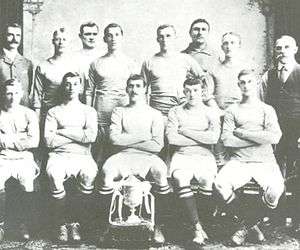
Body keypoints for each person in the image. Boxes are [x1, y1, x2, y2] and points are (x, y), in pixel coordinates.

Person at [97, 74, 170, 244]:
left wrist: (128, 138)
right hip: (123, 156)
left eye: (138, 86)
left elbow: (157, 145)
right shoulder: (119, 111)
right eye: (131, 86)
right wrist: (144, 137)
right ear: (126, 89)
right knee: (107, 171)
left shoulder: (155, 114)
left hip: (148, 157)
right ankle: (106, 226)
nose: (134, 89)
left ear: (145, 89)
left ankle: (158, 226)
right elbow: (114, 140)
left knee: (161, 172)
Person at [214, 69, 284, 246]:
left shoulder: (267, 109)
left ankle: (245, 227)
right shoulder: (232, 110)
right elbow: (228, 140)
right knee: (220, 184)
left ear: (257, 84)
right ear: (238, 85)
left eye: (250, 82)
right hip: (239, 161)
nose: (246, 85)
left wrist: (243, 133)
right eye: (242, 82)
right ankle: (252, 227)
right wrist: (259, 138)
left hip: (265, 161)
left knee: (275, 190)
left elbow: (274, 137)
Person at [44, 72, 98, 242]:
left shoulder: (88, 111)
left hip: (83, 155)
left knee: (89, 174)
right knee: (54, 174)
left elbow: (90, 137)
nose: (71, 88)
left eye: (75, 84)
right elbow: (49, 141)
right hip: (59, 156)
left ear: (80, 87)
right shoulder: (54, 111)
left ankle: (76, 224)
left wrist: (62, 131)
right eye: (67, 84)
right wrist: (78, 135)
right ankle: (61, 224)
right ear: (63, 87)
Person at [166, 77, 220, 246]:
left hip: (204, 156)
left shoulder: (211, 111)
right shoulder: (175, 111)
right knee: (181, 178)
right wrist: (200, 137)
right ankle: (197, 227)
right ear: (184, 92)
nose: (191, 94)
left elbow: (212, 138)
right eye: (188, 91)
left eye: (195, 90)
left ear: (202, 92)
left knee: (206, 179)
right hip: (182, 155)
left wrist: (186, 131)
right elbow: (172, 139)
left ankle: (200, 223)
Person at [260, 35, 300, 233]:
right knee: (276, 172)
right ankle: (278, 215)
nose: (282, 50)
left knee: (297, 173)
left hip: (297, 131)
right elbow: (262, 105)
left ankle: (297, 219)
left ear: (295, 49)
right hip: (275, 132)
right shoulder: (268, 76)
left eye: (286, 47)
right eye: (278, 48)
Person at [87, 23, 137, 166]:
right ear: (104, 39)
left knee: (123, 151)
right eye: (109, 35)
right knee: (100, 152)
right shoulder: (96, 63)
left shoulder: (130, 63)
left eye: (116, 35)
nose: (113, 38)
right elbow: (89, 91)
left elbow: (138, 90)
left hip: (124, 111)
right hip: (102, 112)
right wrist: (89, 115)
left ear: (122, 37)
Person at [141, 24, 215, 119]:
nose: (165, 39)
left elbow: (204, 79)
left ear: (175, 37)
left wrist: (201, 99)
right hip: (159, 112)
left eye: (168, 36)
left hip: (182, 112)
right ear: (157, 39)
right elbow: (142, 90)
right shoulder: (148, 62)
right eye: (161, 36)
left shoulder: (185, 58)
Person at [0, 79, 39, 241]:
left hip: (25, 158)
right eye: (9, 93)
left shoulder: (29, 113)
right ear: (3, 94)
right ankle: (0, 225)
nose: (12, 97)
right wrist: (20, 139)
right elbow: (25, 141)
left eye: (16, 93)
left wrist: (6, 140)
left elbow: (34, 141)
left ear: (21, 94)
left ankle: (23, 224)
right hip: (2, 157)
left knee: (27, 181)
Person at [212, 32, 251, 166]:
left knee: (239, 154)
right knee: (219, 152)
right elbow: (208, 95)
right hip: (219, 114)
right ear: (222, 47)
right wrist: (217, 111)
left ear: (239, 46)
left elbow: (251, 94)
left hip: (240, 114)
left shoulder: (246, 69)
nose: (229, 46)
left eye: (233, 43)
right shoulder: (214, 69)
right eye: (225, 43)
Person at [33, 27, 77, 120]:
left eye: (64, 39)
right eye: (57, 39)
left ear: (69, 42)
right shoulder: (43, 66)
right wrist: (37, 121)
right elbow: (37, 97)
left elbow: (80, 92)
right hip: (48, 113)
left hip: (69, 114)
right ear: (53, 41)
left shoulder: (75, 66)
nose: (61, 42)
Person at [0, 23, 34, 107]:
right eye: (10, 35)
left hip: (23, 113)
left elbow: (27, 90)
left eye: (18, 35)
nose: (15, 39)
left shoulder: (27, 63)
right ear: (4, 36)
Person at [74, 21, 101, 103]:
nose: (91, 37)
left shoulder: (103, 57)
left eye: (94, 34)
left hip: (98, 100)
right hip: (78, 100)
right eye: (88, 34)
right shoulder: (73, 57)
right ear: (80, 36)